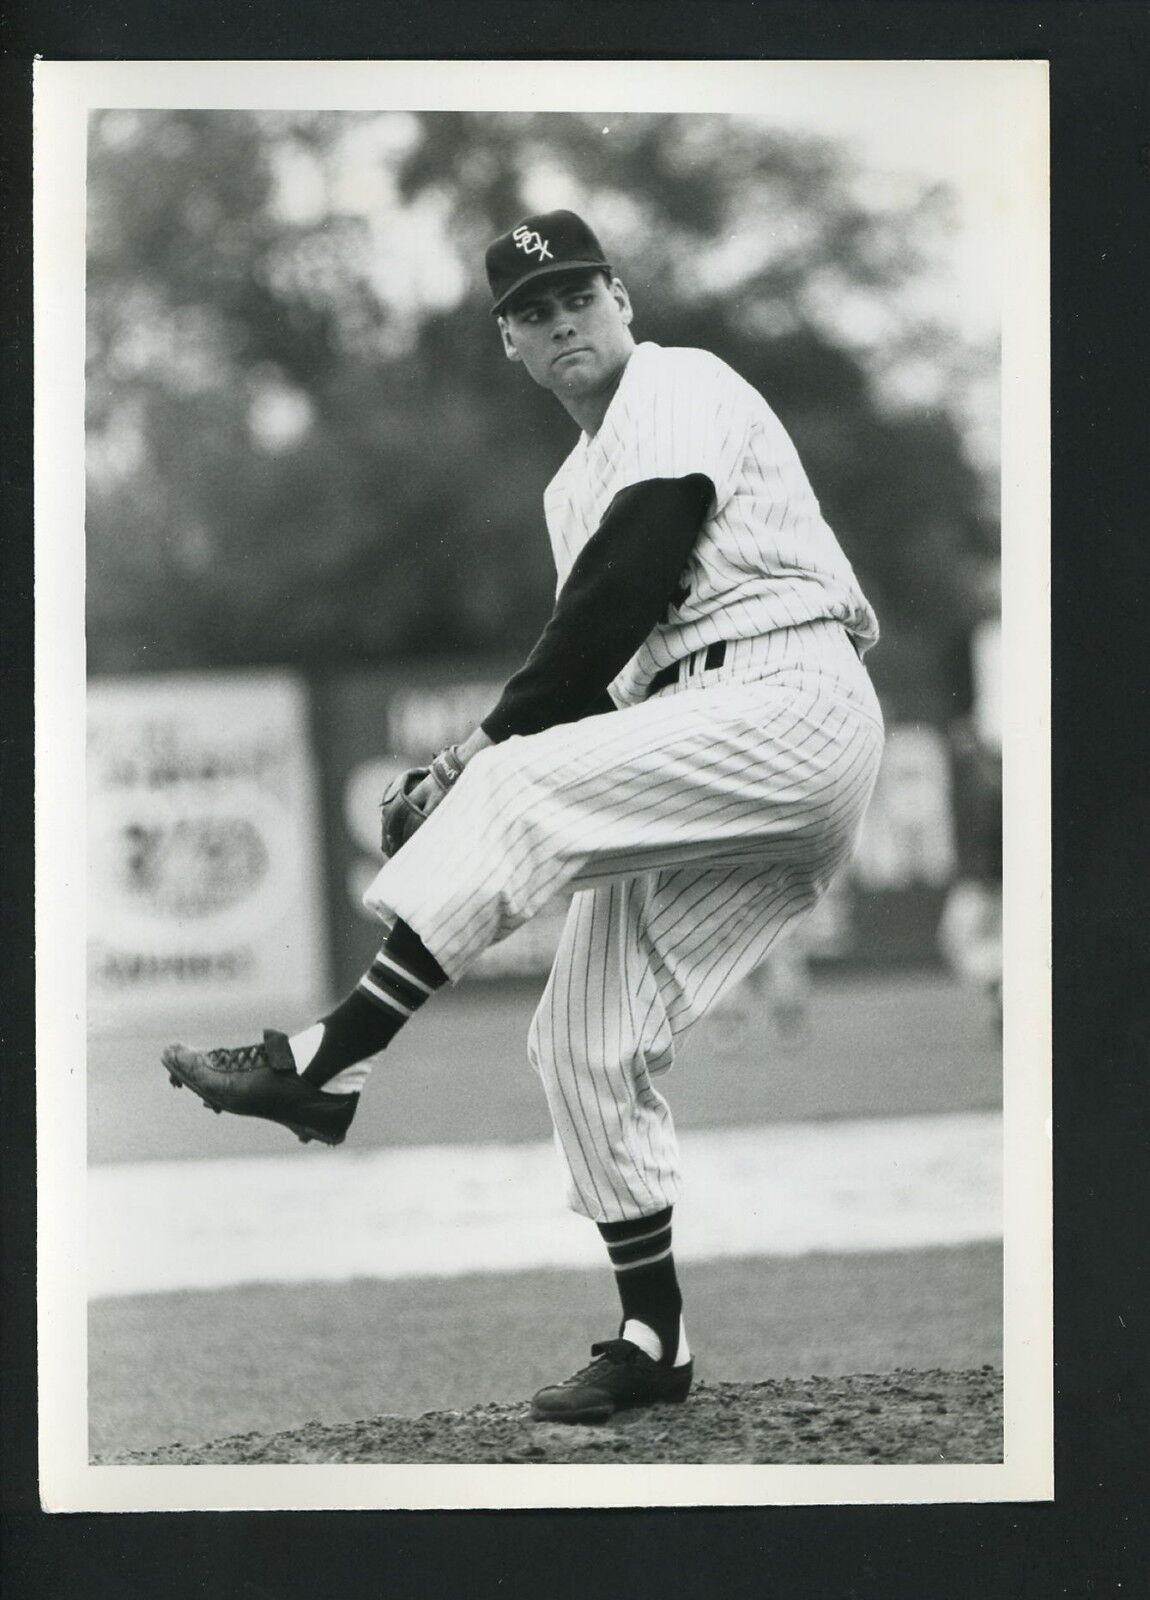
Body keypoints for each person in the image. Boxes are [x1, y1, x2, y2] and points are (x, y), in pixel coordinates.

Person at [163, 209, 885, 1425]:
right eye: (532, 313)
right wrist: (471, 774)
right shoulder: (568, 492)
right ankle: (653, 1337)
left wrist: (469, 761)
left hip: (788, 694)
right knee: (582, 1039)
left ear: (624, 302)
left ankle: (324, 1058)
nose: (563, 324)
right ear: (509, 344)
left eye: (578, 297)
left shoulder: (680, 383)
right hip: (709, 742)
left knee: (510, 781)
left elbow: (633, 573)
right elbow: (594, 676)